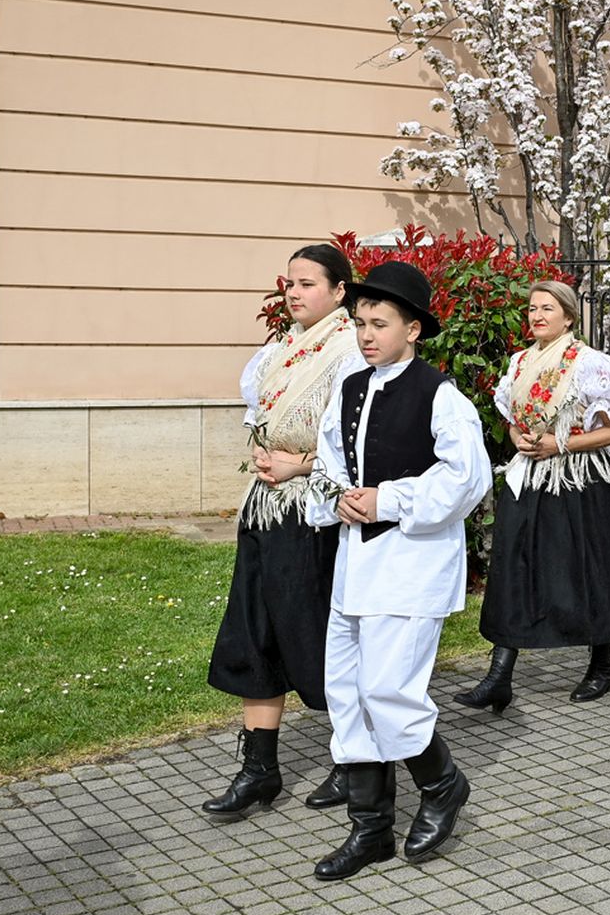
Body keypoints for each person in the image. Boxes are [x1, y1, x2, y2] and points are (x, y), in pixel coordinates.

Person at [305, 262, 493, 881]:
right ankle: (371, 830)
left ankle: (442, 784)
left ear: (412, 329)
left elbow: (466, 478)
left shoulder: (440, 396)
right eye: (360, 323)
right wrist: (336, 498)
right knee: (347, 691)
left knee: (389, 691)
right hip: (355, 564)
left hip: (412, 566)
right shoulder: (350, 388)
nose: (366, 334)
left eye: (379, 324)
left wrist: (388, 499)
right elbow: (328, 463)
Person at [203, 243, 363, 821]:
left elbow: (359, 445)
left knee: (319, 633)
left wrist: (301, 466)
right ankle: (259, 769)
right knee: (255, 631)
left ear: (339, 291)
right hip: (266, 509)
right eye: (289, 283)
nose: (293, 292)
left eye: (307, 283)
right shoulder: (280, 350)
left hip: (315, 514)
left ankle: (355, 760)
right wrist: (265, 455)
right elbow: (262, 421)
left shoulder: (352, 352)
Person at [455, 280, 610, 711]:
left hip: (582, 480)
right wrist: (520, 439)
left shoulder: (590, 364)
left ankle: (602, 664)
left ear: (568, 317)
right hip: (531, 476)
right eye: (532, 308)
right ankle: (499, 675)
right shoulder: (521, 362)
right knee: (514, 569)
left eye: (547, 308)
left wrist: (560, 445)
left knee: (590, 570)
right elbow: (512, 419)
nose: (537, 316)